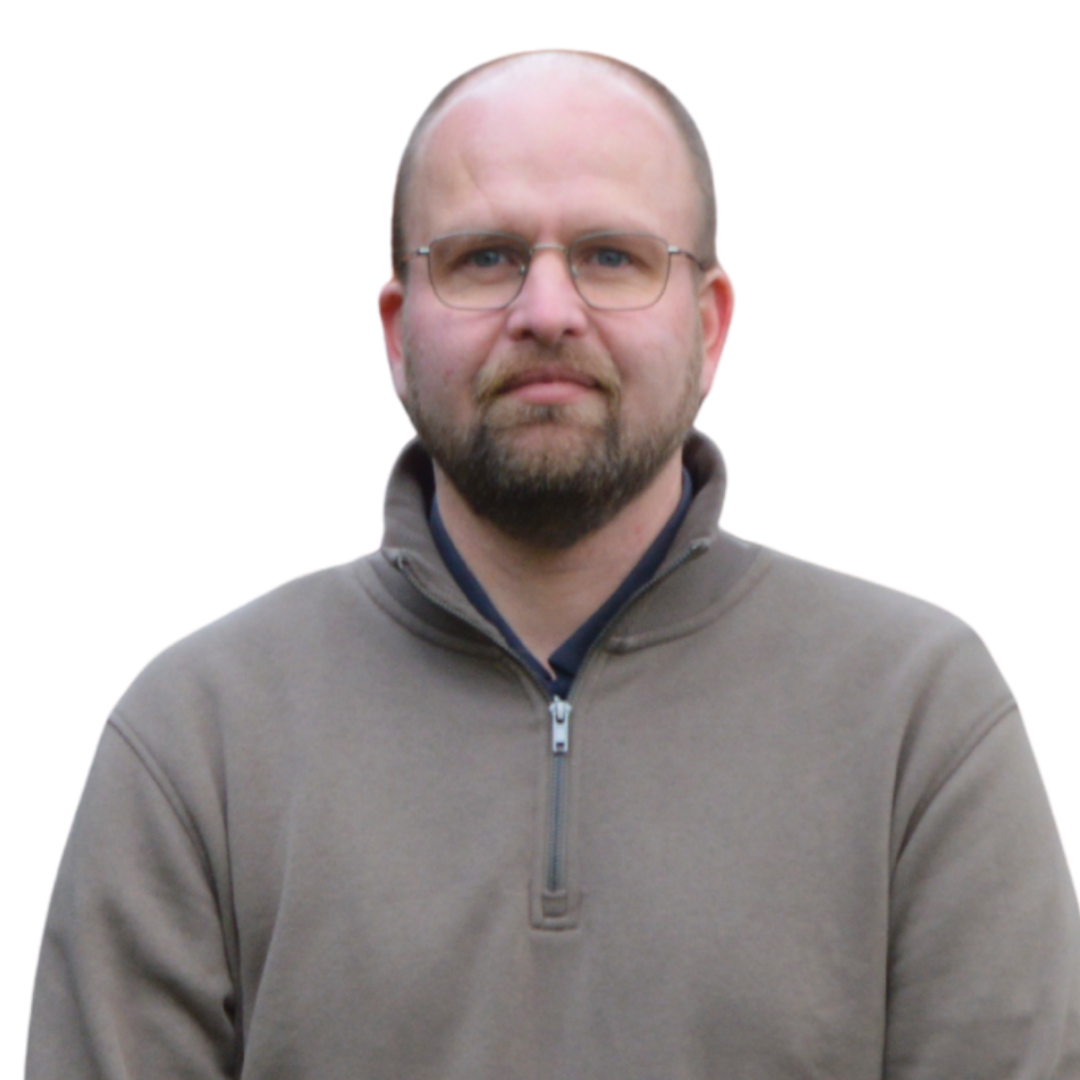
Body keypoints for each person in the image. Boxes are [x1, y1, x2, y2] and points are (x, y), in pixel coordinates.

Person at [25, 48, 1079, 1079]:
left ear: (710, 327)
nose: (546, 311)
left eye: (611, 257)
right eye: (484, 257)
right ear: (396, 331)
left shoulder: (920, 713)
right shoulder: (200, 732)